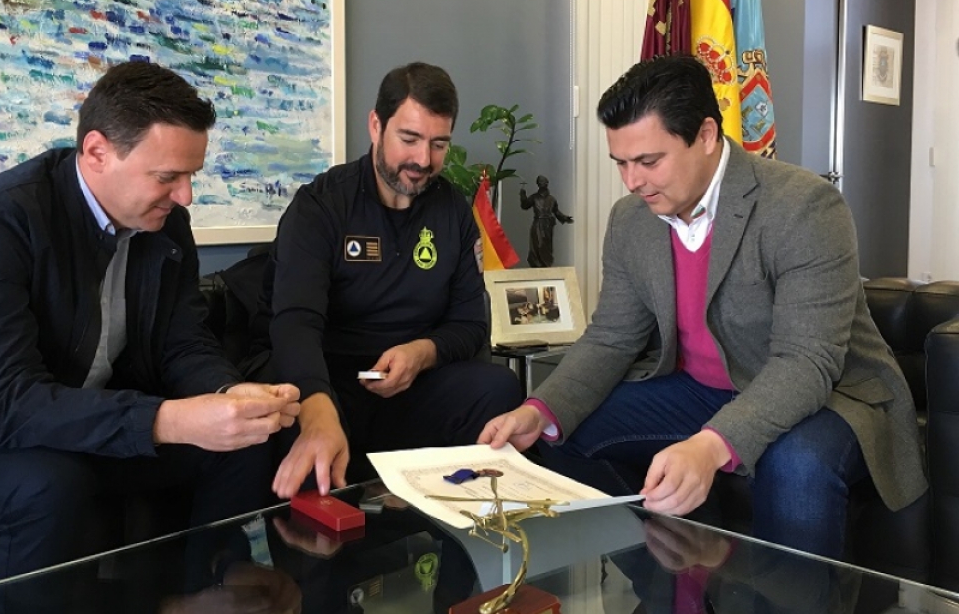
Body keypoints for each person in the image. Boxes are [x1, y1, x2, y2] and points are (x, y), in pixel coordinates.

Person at [480, 54, 926, 558]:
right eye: (621, 163)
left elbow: (807, 362)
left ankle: (787, 592)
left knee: (796, 465)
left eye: (649, 161)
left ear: (707, 135)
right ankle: (678, 569)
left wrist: (711, 444)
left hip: (830, 396)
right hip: (702, 390)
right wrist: (538, 409)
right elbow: (611, 338)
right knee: (563, 431)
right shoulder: (630, 220)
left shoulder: (804, 207)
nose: (632, 181)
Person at [0, 61, 300, 582]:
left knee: (243, 445)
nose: (186, 196)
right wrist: (169, 419)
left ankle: (207, 594)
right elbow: (4, 402)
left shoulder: (167, 225)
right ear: (98, 151)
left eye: (191, 176)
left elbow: (183, 342)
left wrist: (227, 395)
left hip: (76, 425)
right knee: (48, 485)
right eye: (168, 177)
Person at [265, 61, 520, 499]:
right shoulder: (321, 206)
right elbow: (294, 324)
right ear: (376, 126)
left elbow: (470, 325)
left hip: (413, 387)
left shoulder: (453, 212)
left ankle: (463, 524)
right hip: (331, 386)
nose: (423, 160)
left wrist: (420, 354)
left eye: (439, 144)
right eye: (410, 139)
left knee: (499, 387)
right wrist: (318, 412)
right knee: (292, 420)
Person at [519, 174, 573, 267]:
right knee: (537, 244)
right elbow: (525, 206)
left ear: (547, 183)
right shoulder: (534, 197)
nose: (541, 183)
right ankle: (536, 263)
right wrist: (523, 195)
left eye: (543, 181)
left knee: (546, 245)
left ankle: (546, 264)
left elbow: (556, 212)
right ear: (538, 184)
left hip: (547, 225)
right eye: (539, 182)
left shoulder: (552, 199)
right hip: (538, 223)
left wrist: (565, 218)